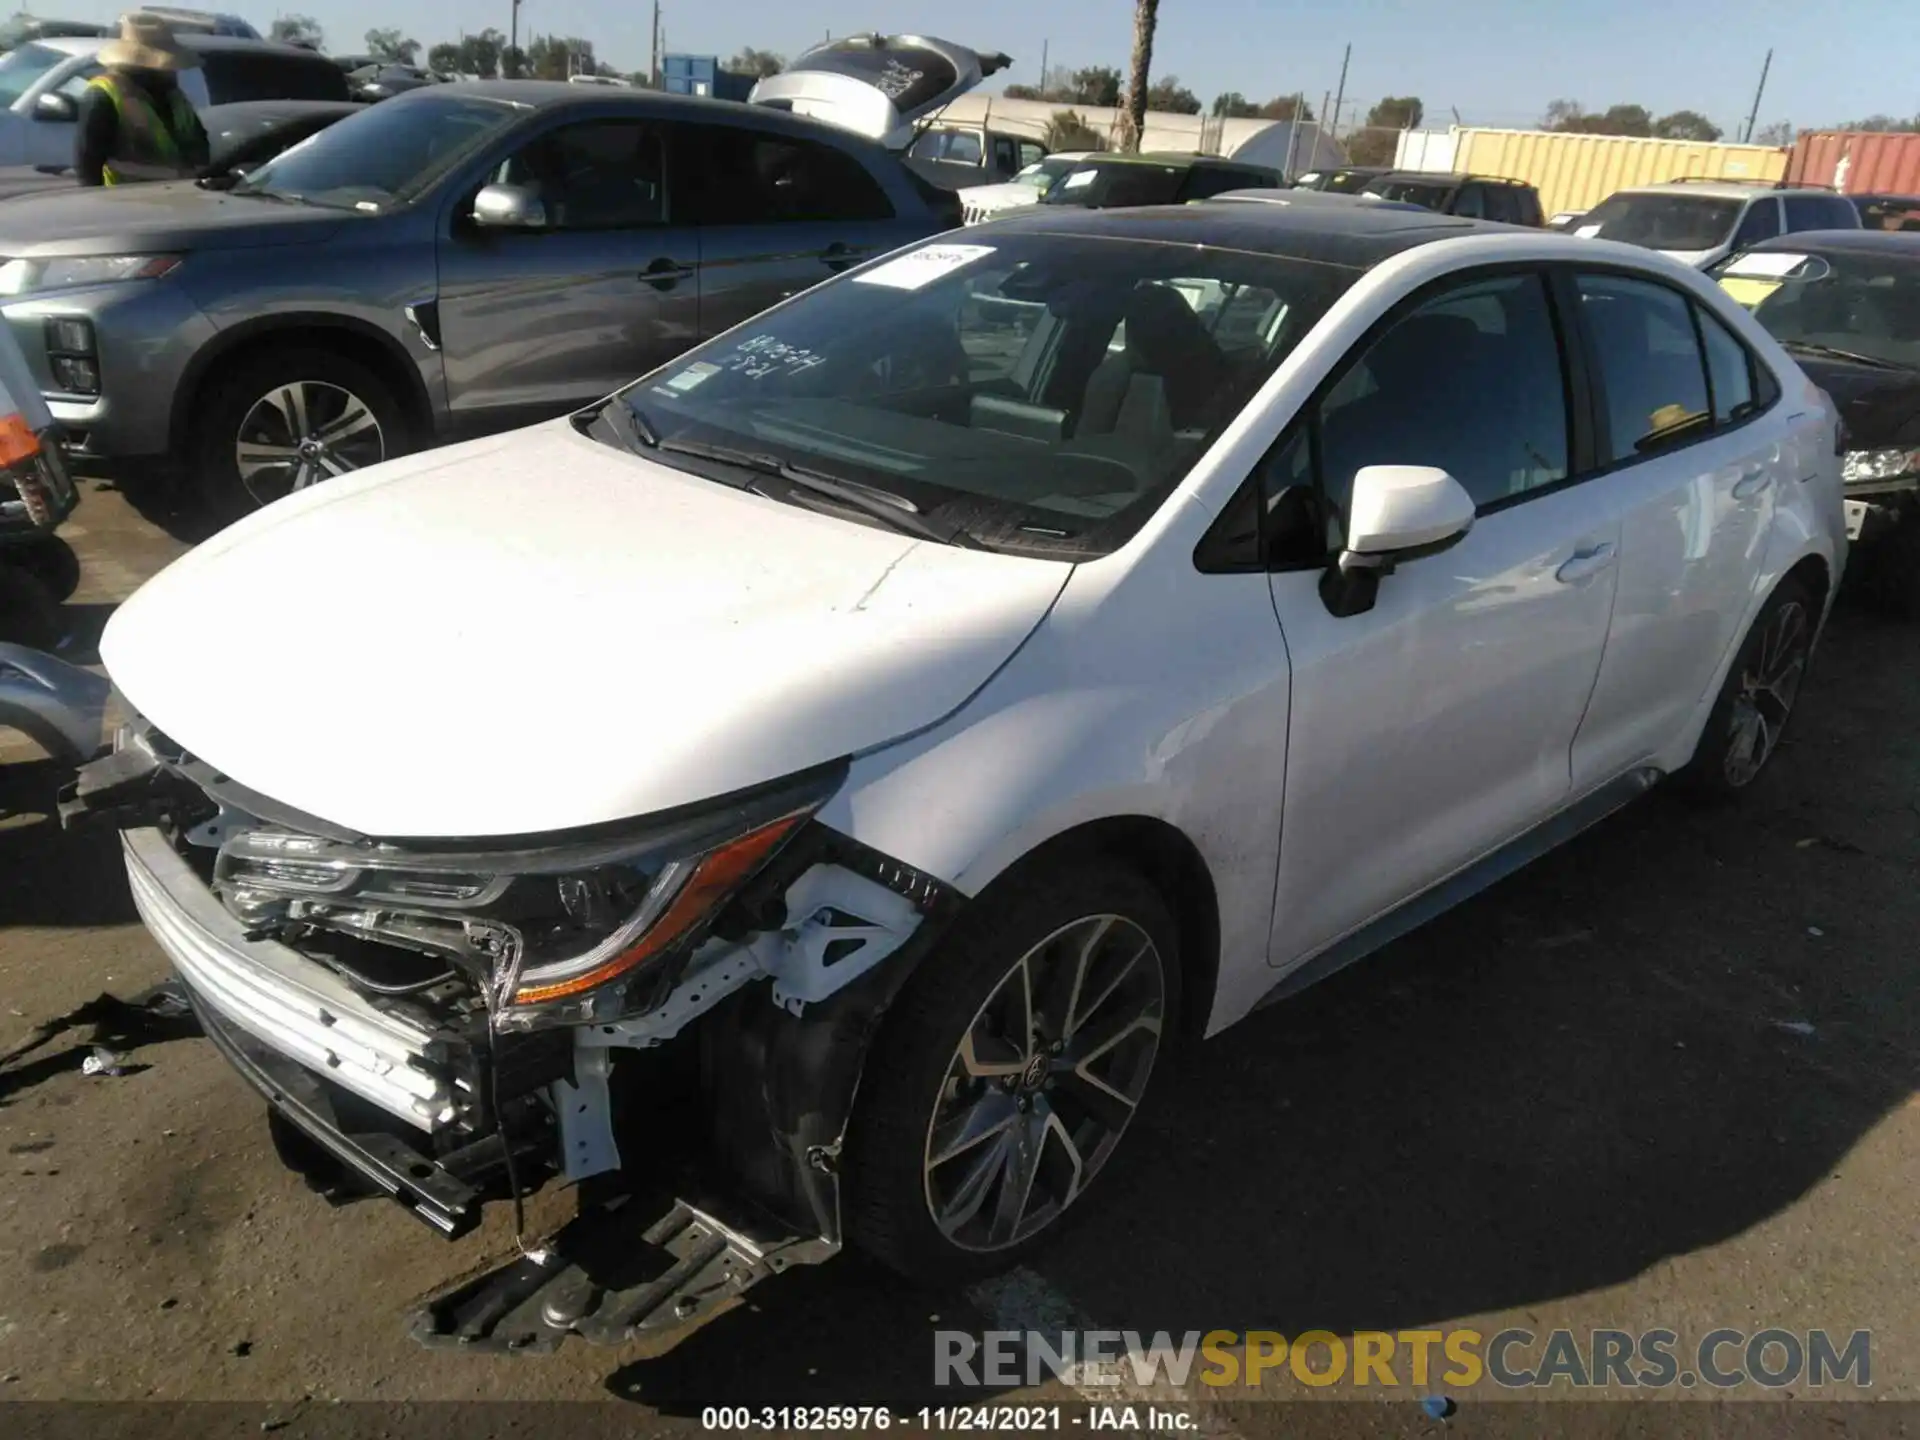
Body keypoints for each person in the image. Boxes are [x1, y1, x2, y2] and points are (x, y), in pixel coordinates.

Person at [75, 13, 208, 186]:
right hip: (127, 203)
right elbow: (88, 169)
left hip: (176, 201)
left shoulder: (175, 96)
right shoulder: (103, 95)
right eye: (165, 65)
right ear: (141, 66)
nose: (173, 71)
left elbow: (200, 147)